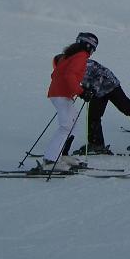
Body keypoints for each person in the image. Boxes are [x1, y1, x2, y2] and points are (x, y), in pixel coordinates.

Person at [74, 46, 130, 155]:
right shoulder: (74, 65)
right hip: (99, 91)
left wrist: (90, 89)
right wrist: (84, 91)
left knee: (126, 107)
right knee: (93, 116)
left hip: (110, 86)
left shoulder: (81, 63)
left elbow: (99, 74)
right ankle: (96, 144)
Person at [38, 32, 97, 171]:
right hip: (61, 94)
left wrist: (80, 88)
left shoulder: (69, 55)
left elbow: (57, 74)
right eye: (93, 48)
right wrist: (81, 92)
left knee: (73, 122)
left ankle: (63, 154)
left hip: (60, 93)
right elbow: (69, 75)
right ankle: (50, 160)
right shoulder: (81, 55)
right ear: (88, 45)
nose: (93, 52)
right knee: (65, 127)